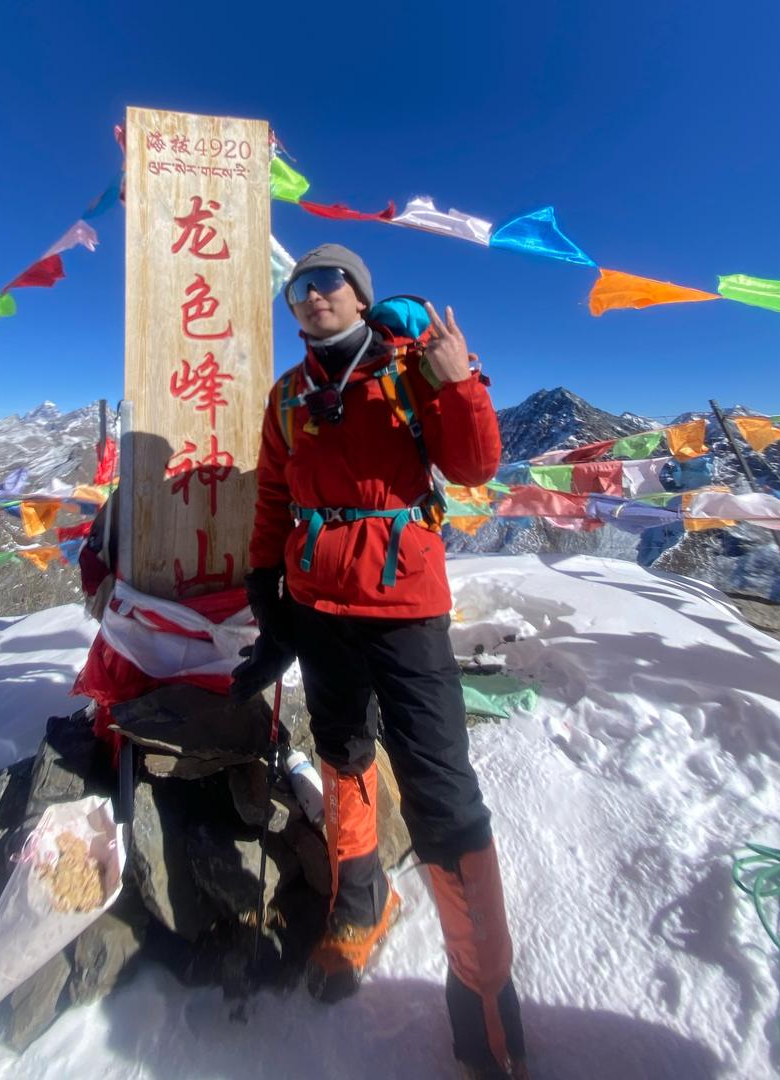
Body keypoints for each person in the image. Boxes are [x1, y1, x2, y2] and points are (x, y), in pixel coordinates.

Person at [232, 244, 528, 1078]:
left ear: (360, 297)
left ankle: (483, 1000)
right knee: (342, 754)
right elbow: (274, 496)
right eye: (300, 284)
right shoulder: (290, 395)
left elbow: (474, 467)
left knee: (442, 792)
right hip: (317, 608)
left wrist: (460, 379)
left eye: (329, 282)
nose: (313, 293)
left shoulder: (409, 367)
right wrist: (266, 588)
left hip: (404, 608)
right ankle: (360, 908)